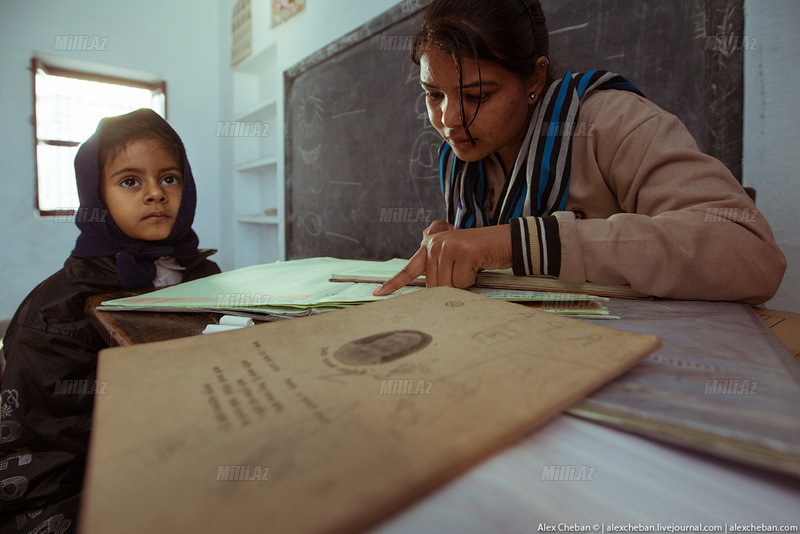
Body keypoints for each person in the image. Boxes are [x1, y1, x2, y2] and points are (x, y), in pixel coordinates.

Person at [374, 0, 786, 304]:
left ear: (534, 77)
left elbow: (751, 252)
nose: (449, 120)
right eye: (433, 95)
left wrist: (519, 243)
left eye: (477, 94)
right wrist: (461, 246)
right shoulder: (460, 160)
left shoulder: (610, 123)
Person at [0, 109, 220, 532]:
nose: (155, 193)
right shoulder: (54, 313)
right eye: (130, 181)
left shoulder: (205, 276)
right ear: (95, 195)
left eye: (170, 178)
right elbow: (36, 471)